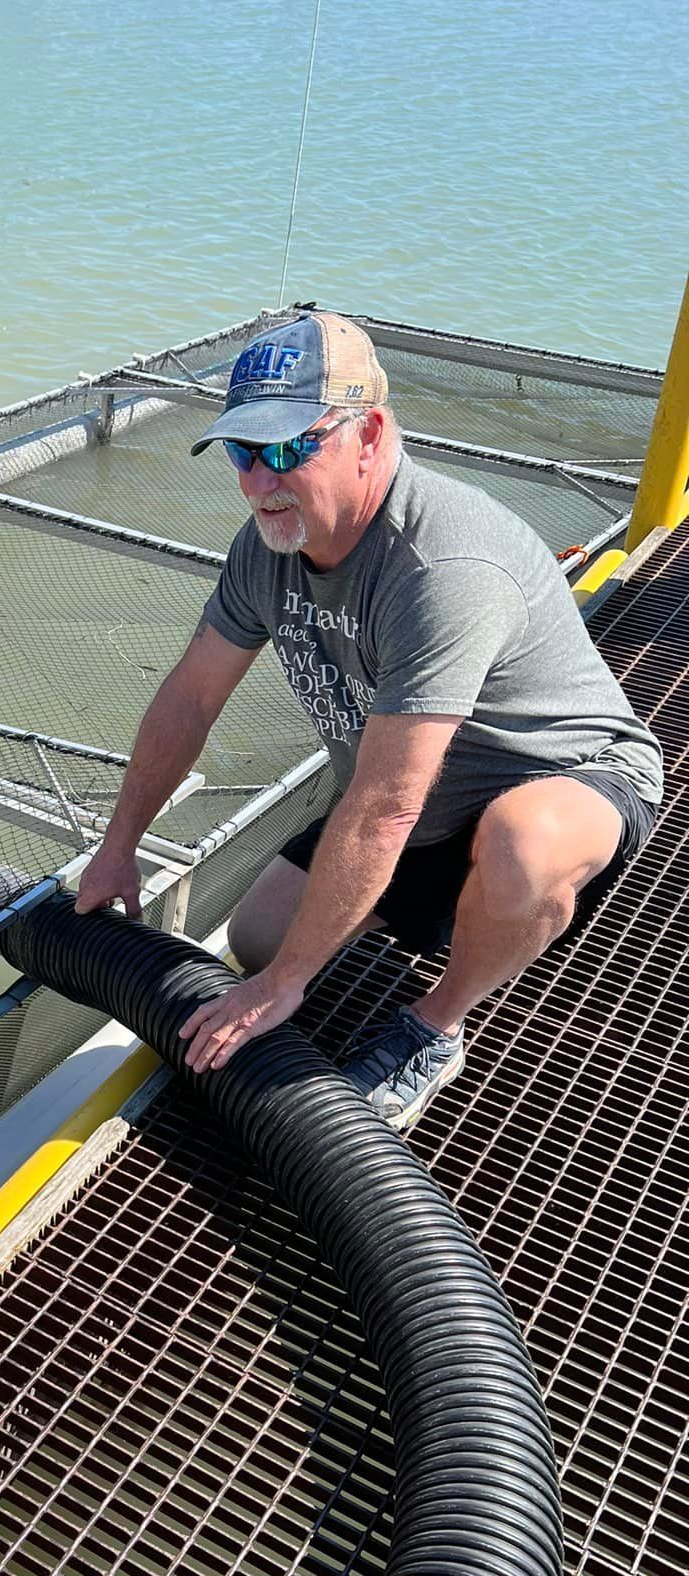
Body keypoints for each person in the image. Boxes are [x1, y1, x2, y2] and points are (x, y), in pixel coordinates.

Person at [75, 310, 663, 1128]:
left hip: (557, 778)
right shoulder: (268, 544)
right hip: (418, 804)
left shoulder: (442, 569)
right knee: (257, 940)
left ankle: (438, 1023)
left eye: (286, 449)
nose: (257, 482)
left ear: (369, 433)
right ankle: (433, 905)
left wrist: (284, 991)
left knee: (521, 852)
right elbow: (189, 696)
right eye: (243, 453)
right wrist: (117, 848)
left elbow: (387, 802)